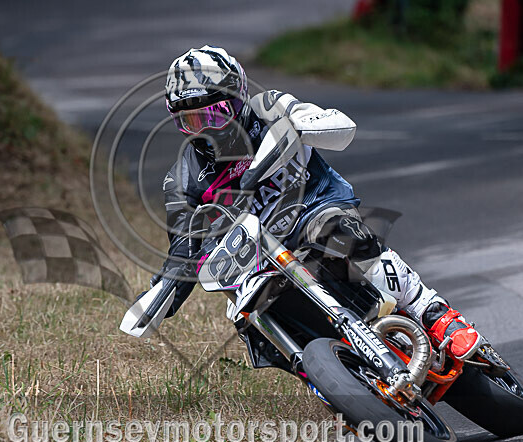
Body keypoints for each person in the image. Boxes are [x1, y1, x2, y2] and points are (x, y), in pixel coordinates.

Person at [146, 45, 480, 360]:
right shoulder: (182, 179)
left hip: (315, 208)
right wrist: (165, 292)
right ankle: (323, 372)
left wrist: (299, 129)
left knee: (344, 235)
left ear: (238, 99)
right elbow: (182, 244)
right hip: (258, 256)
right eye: (190, 122)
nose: (205, 131)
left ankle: (436, 314)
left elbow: (332, 124)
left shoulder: (271, 106)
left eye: (215, 115)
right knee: (248, 318)